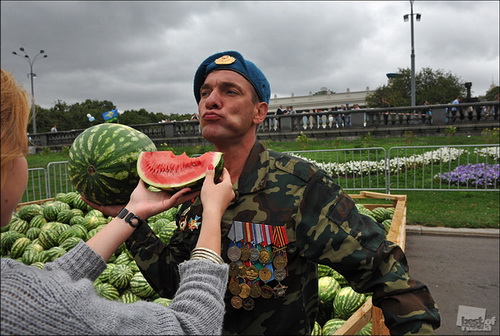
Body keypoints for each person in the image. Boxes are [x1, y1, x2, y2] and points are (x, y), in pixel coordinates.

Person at [111, 51, 441, 335]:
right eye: (204, 92)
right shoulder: (193, 192)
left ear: (259, 112)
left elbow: (385, 272)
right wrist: (130, 222)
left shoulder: (299, 185)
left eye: (230, 91)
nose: (211, 100)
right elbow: (178, 282)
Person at [0, 69, 234, 335]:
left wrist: (131, 213)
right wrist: (213, 212)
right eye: (21, 148)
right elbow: (192, 328)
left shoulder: (9, 280)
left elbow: (46, 283)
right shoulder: (29, 310)